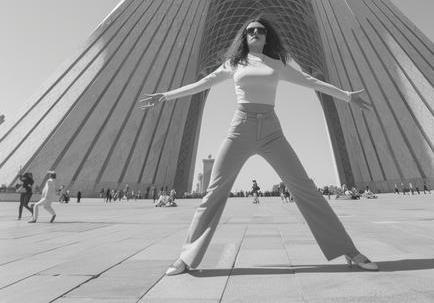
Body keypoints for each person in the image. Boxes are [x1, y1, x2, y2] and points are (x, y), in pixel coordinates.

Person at [140, 16, 378, 274]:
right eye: (250, 30)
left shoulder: (276, 64)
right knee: (215, 191)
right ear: (244, 36)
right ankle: (185, 258)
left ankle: (350, 251)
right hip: (240, 127)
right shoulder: (234, 63)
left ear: (267, 36)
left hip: (272, 131)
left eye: (260, 30)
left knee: (305, 188)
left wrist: (346, 96)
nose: (255, 33)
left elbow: (311, 82)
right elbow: (201, 84)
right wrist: (165, 96)